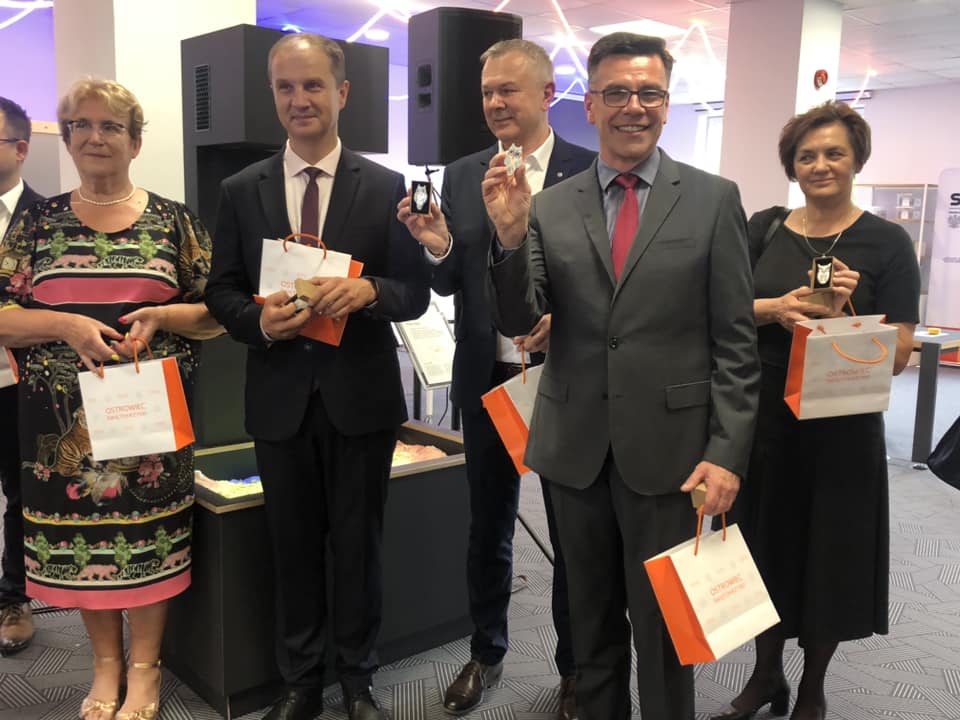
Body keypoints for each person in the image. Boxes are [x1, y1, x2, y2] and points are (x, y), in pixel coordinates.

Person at [481, 32, 761, 720]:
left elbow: (735, 341)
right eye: (616, 93)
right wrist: (510, 238)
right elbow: (522, 317)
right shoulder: (549, 205)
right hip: (575, 451)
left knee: (664, 632)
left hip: (673, 455)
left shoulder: (712, 199)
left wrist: (727, 453)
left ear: (666, 104)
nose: (633, 106)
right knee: (592, 626)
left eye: (649, 93)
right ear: (590, 105)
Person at [205, 33, 430, 720]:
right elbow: (221, 291)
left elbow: (414, 292)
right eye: (285, 87)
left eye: (312, 85)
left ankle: (358, 679)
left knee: (358, 547)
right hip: (280, 399)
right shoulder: (241, 190)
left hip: (360, 399)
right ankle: (300, 682)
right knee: (293, 547)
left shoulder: (387, 188)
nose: (299, 99)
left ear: (342, 92)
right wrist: (258, 321)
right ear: (273, 95)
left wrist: (369, 293)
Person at [0, 79, 221, 720]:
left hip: (149, 418)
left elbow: (217, 311)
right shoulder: (35, 222)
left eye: (112, 126)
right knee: (84, 547)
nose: (96, 137)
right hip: (61, 429)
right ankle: (105, 664)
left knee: (150, 537)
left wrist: (165, 316)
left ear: (136, 141)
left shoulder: (175, 220)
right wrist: (65, 325)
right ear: (67, 139)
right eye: (82, 125)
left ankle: (145, 668)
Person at [397, 38, 594, 719]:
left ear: (547, 94)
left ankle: (575, 669)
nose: (495, 103)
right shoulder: (462, 175)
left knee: (572, 533)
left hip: (567, 380)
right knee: (488, 526)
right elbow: (451, 279)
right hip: (488, 376)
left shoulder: (589, 171)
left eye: (508, 89)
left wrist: (568, 321)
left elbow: (604, 277)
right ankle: (485, 651)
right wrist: (437, 244)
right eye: (487, 92)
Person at [711, 102, 920, 720]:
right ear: (791, 165)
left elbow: (900, 353)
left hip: (843, 428)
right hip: (764, 421)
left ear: (857, 160)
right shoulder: (764, 229)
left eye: (834, 153)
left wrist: (848, 316)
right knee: (762, 550)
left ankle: (812, 688)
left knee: (829, 555)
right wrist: (777, 308)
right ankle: (766, 676)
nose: (820, 165)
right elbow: (721, 310)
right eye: (807, 156)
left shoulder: (887, 242)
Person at [0, 96, 43, 657]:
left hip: (18, 382)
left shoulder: (47, 218)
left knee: (20, 491)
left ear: (20, 148)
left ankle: (13, 599)